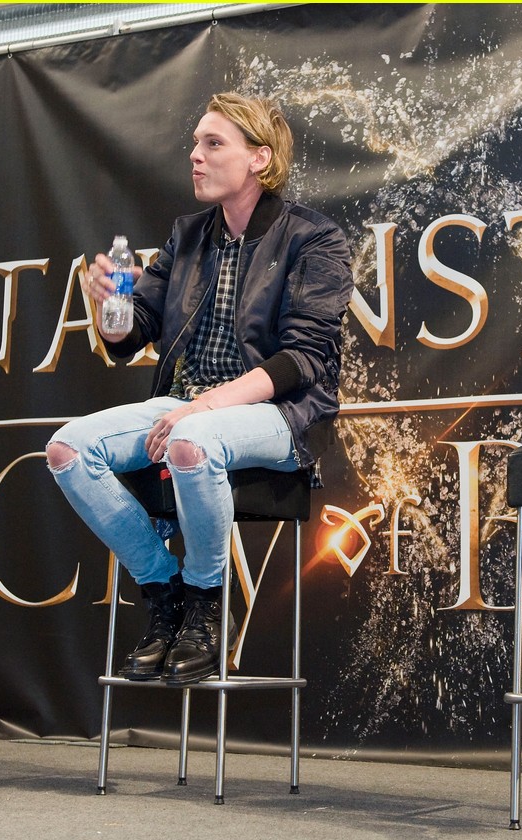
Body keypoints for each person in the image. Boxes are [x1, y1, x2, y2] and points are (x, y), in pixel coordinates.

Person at [47, 93, 354, 685]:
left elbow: (303, 361)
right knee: (67, 449)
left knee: (191, 441)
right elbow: (127, 337)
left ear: (259, 158)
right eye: (195, 143)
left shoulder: (314, 238)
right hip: (187, 404)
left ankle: (207, 606)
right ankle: (165, 593)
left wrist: (203, 406)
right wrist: (109, 302)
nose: (195, 156)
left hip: (279, 412)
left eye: (213, 144)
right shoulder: (188, 237)